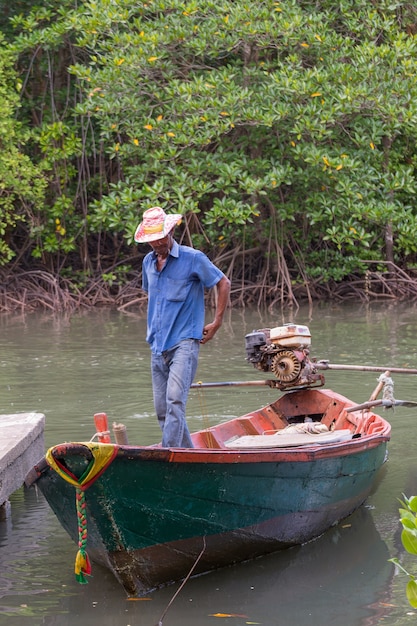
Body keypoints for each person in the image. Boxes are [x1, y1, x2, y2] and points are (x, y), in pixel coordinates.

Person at [135, 206, 231, 448]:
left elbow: (223, 282)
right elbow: (156, 300)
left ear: (171, 232)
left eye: (161, 238)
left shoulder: (193, 258)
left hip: (184, 343)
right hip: (157, 346)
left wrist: (217, 322)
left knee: (175, 401)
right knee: (162, 410)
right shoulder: (148, 262)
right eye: (152, 241)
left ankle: (168, 457)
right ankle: (188, 453)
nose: (157, 244)